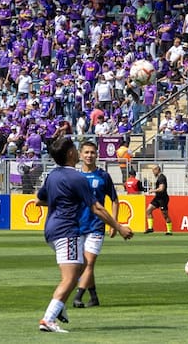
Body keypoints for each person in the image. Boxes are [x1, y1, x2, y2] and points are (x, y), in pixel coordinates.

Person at [35, 137, 133, 333]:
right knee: (71, 278)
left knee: (79, 266)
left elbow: (39, 200)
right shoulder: (77, 178)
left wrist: (63, 203)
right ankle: (48, 318)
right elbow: (97, 207)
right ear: (72, 154)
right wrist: (119, 227)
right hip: (68, 230)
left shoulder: (53, 175)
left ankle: (60, 306)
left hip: (51, 229)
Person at [72, 141, 119, 309]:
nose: (89, 155)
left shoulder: (103, 176)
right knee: (81, 263)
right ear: (80, 154)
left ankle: (78, 295)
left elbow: (114, 200)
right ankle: (94, 297)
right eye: (86, 152)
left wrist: (113, 223)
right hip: (77, 225)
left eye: (92, 152)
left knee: (89, 263)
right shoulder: (76, 177)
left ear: (97, 154)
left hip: (96, 225)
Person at [145, 165, 173, 235]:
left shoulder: (162, 178)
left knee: (165, 215)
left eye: (153, 171)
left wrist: (153, 190)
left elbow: (161, 188)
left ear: (157, 170)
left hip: (163, 199)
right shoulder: (159, 178)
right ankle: (150, 228)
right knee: (148, 210)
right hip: (157, 198)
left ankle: (169, 231)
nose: (153, 172)